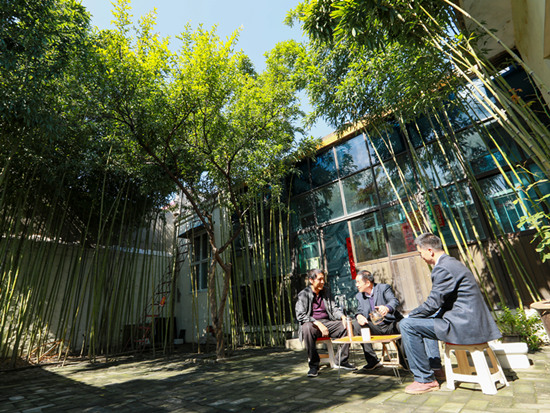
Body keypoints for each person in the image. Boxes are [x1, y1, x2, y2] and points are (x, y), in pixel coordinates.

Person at [400, 233, 502, 395]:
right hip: (470, 322)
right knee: (424, 320)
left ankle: (425, 380)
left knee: (407, 325)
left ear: (430, 251)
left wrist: (410, 315)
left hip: (464, 325)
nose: (421, 257)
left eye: (420, 253)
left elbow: (433, 303)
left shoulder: (443, 268)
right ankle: (435, 369)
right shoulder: (451, 263)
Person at [295, 268, 356, 377]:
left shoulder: (326, 291)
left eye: (323, 279)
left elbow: (334, 309)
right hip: (312, 325)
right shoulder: (303, 294)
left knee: (347, 325)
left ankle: (341, 360)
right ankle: (314, 365)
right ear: (311, 280)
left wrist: (342, 317)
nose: (323, 282)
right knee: (306, 328)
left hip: (328, 323)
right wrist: (318, 323)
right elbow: (300, 315)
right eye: (320, 279)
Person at [352, 270, 405, 370]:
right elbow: (359, 311)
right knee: (357, 325)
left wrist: (387, 308)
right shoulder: (359, 296)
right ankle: (372, 361)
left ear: (368, 282)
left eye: (358, 282)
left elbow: (394, 301)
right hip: (375, 326)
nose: (356, 285)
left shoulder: (383, 288)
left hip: (390, 324)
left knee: (403, 325)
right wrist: (359, 316)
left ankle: (405, 361)